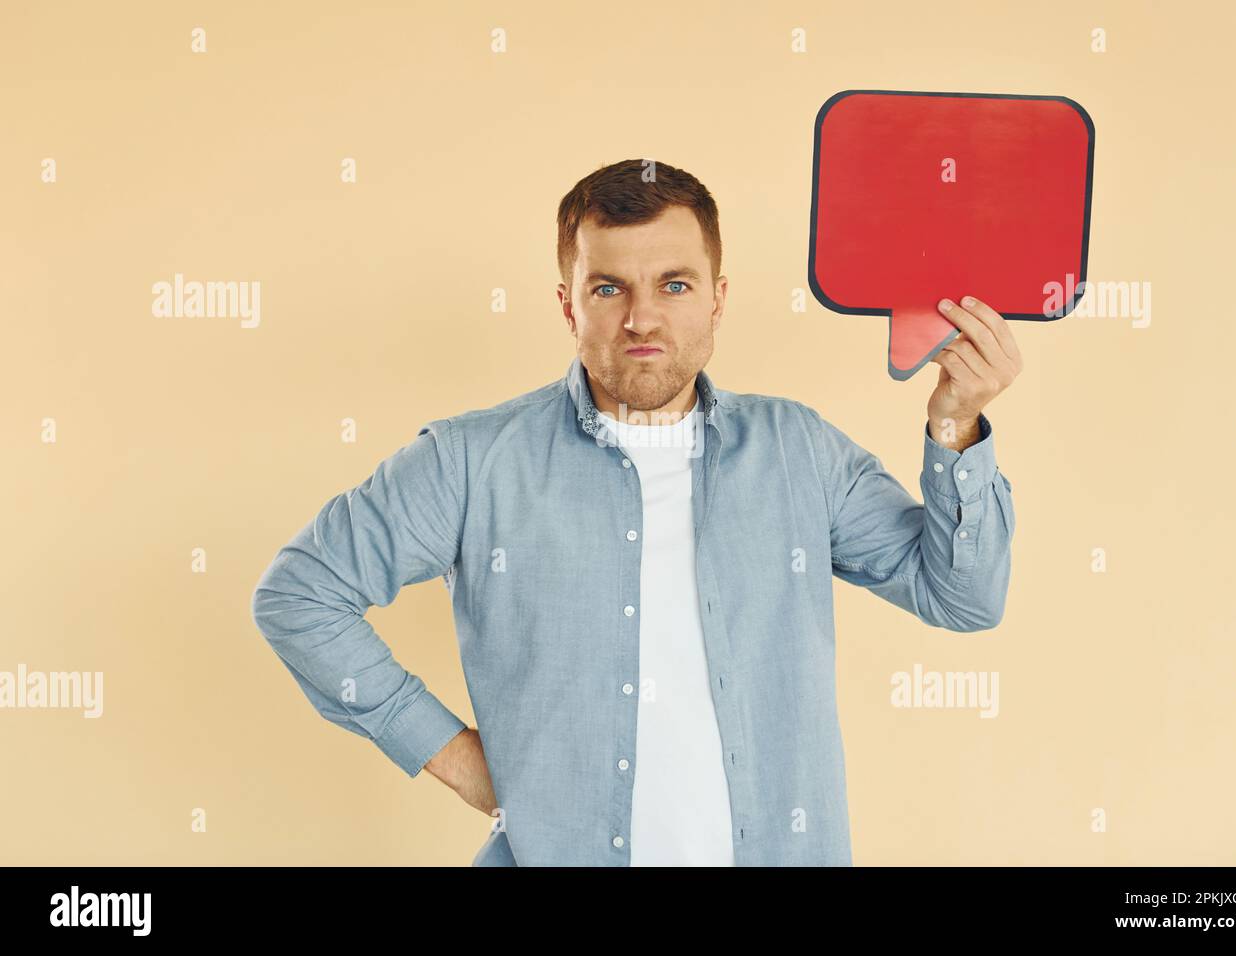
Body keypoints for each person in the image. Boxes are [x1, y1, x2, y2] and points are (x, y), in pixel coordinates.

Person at [250, 158, 1020, 866]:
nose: (642, 320)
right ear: (569, 305)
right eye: (609, 288)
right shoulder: (470, 461)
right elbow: (299, 592)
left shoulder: (799, 452)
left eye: (675, 285)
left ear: (719, 297)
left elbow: (964, 599)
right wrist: (454, 757)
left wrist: (956, 422)